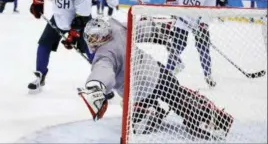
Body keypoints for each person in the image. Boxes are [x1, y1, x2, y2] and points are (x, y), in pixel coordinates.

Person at [77, 18, 234, 140]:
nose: (91, 41)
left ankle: (158, 111)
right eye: (89, 37)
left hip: (143, 89)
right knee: (178, 98)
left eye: (94, 37)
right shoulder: (116, 27)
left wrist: (95, 86)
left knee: (142, 123)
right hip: (156, 72)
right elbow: (140, 28)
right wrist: (160, 29)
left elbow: (103, 71)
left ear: (104, 35)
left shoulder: (104, 54)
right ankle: (211, 116)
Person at [28, 0, 94, 91]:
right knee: (43, 44)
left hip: (80, 20)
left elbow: (83, 14)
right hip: (58, 17)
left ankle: (101, 79)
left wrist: (74, 33)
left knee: (91, 49)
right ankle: (40, 75)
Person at [165, 0, 217, 87]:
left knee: (203, 49)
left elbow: (209, 11)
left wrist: (203, 25)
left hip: (197, 23)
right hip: (181, 21)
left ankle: (208, 74)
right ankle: (168, 73)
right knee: (177, 47)